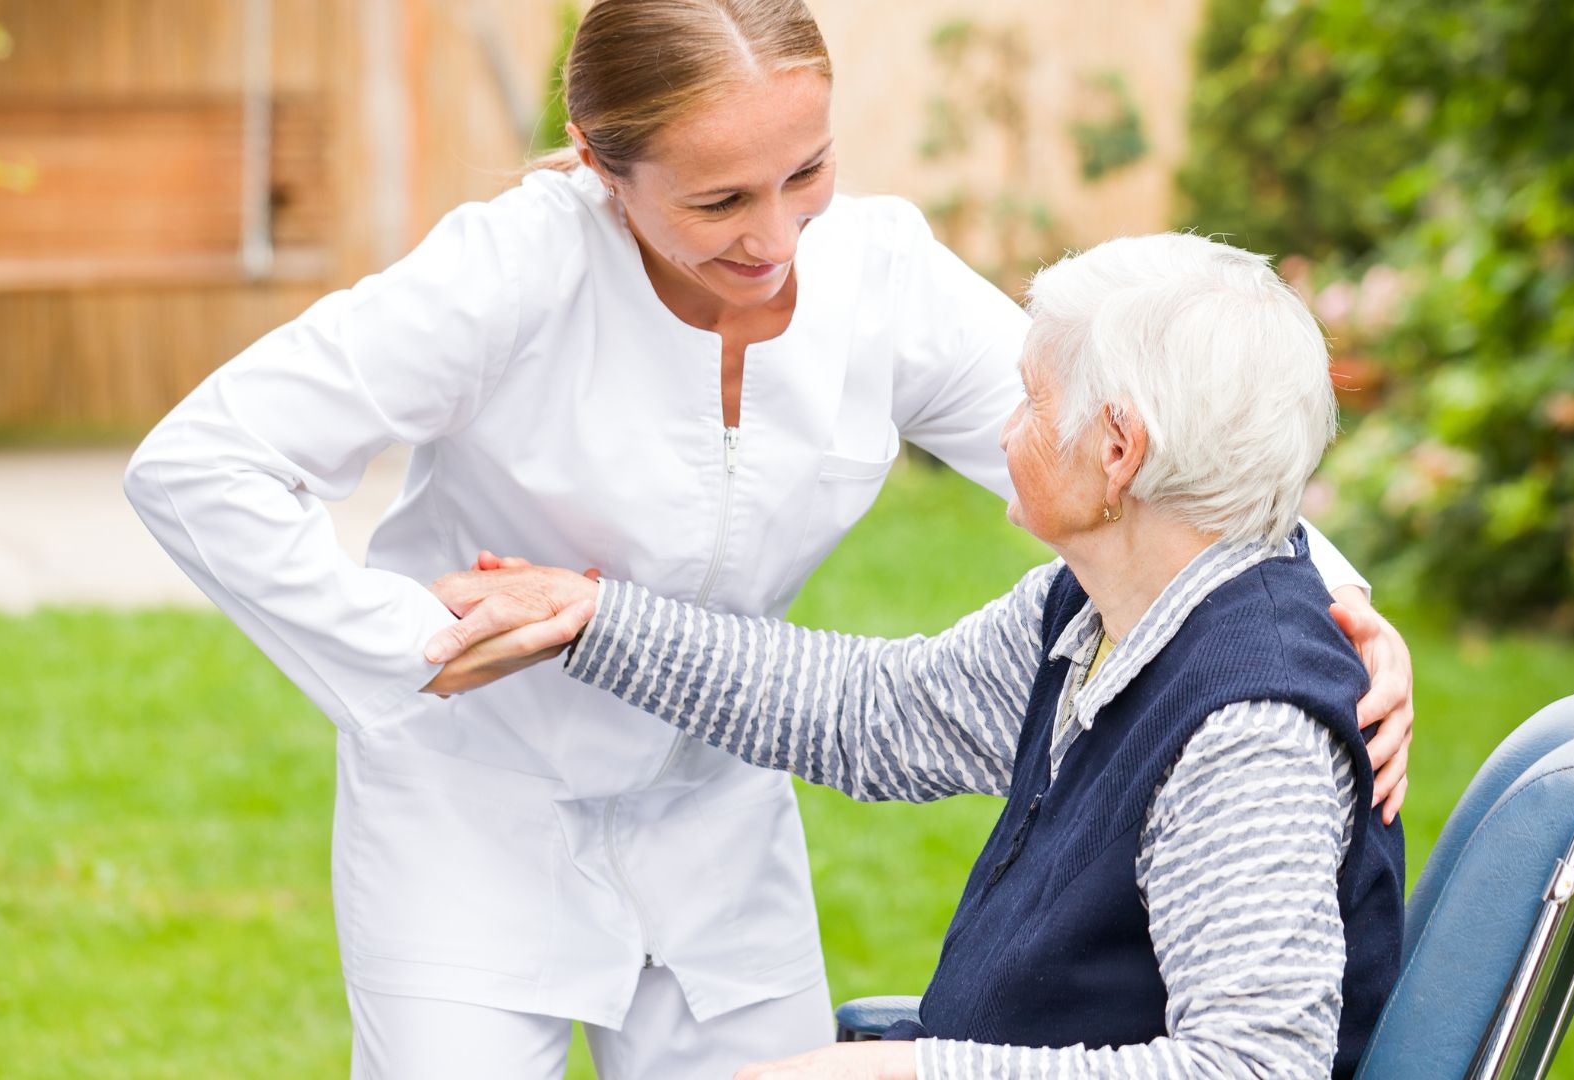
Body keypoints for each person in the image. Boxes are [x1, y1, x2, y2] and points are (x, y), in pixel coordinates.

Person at [123, 2, 1412, 1077]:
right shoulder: (509, 275)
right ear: (596, 161)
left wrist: (1337, 616)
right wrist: (415, 642)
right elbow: (202, 465)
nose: (778, 238)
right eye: (721, 197)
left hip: (716, 805)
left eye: (807, 173)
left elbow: (1175, 457)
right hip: (476, 807)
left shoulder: (877, 276)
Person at [428, 232, 1403, 1080]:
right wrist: (594, 618)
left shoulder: (1246, 739)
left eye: (1029, 402)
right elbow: (877, 714)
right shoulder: (1101, 610)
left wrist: (912, 1069)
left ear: (1116, 453)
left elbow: (1255, 1066)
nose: (1003, 430)